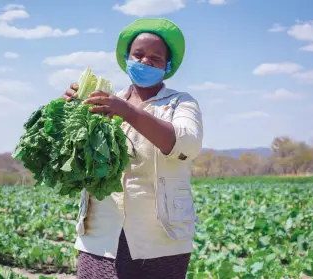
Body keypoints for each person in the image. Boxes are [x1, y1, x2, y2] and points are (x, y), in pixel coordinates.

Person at [62, 18, 203, 279]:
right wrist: (70, 111)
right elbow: (72, 159)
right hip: (101, 236)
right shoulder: (106, 102)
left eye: (155, 58)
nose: (145, 62)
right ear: (126, 59)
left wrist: (128, 112)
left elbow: (187, 144)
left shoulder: (180, 103)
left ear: (167, 66)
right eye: (138, 55)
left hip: (160, 239)